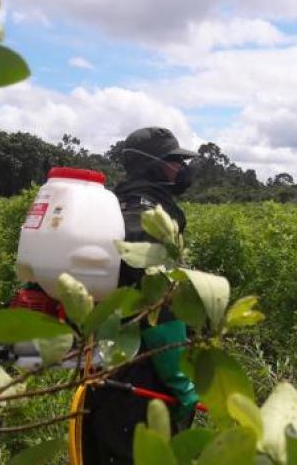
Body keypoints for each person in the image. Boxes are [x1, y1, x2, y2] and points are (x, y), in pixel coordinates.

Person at [81, 126, 199, 464]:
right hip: (138, 375)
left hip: (102, 362)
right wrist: (178, 378)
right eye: (174, 161)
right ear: (152, 165)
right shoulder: (145, 220)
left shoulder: (115, 205)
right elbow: (158, 304)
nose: (181, 169)